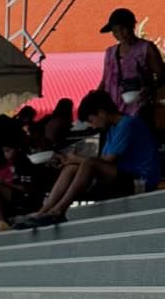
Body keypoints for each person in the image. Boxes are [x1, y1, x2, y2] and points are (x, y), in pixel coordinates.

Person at [17, 88, 161, 225]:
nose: (94, 125)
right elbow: (103, 161)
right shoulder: (112, 129)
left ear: (101, 113)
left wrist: (77, 159)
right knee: (70, 168)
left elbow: (107, 160)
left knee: (88, 163)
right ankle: (43, 211)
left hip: (141, 180)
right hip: (124, 176)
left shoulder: (127, 124)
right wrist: (70, 161)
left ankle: (59, 210)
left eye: (92, 120)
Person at [98, 6, 165, 130]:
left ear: (132, 27)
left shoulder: (146, 48)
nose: (120, 34)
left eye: (123, 29)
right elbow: (105, 80)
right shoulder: (110, 52)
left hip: (140, 109)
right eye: (115, 31)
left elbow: (162, 75)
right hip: (114, 111)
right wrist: (95, 99)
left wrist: (149, 89)